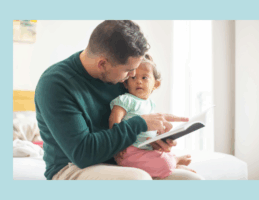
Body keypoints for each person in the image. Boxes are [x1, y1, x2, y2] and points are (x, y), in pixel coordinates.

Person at [35, 20, 204, 180]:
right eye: (129, 70)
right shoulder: (55, 84)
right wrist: (140, 124)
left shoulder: (119, 77)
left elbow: (131, 123)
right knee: (139, 180)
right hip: (72, 167)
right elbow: (83, 154)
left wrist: (153, 137)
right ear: (102, 64)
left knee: (191, 180)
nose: (132, 76)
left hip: (123, 160)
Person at [109, 54, 199, 179]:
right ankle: (175, 162)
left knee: (162, 153)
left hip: (146, 148)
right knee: (164, 163)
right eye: (133, 77)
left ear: (156, 84)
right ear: (126, 84)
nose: (138, 81)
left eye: (144, 77)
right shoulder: (125, 100)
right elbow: (114, 120)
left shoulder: (150, 105)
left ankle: (173, 161)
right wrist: (117, 144)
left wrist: (161, 135)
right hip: (129, 151)